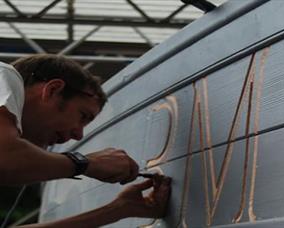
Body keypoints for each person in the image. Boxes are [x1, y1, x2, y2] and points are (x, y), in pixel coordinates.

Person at [0, 54, 171, 227]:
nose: (78, 135)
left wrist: (119, 210)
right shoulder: (4, 75)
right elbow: (6, 159)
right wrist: (86, 163)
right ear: (53, 90)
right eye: (83, 116)